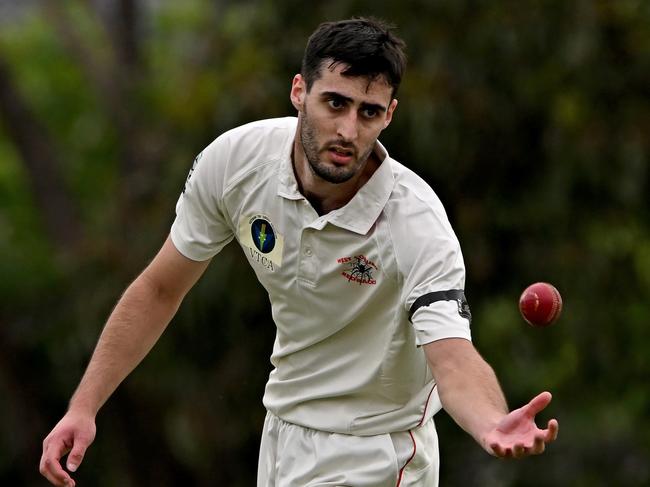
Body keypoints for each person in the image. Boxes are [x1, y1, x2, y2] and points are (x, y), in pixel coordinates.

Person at [40, 17, 559, 487]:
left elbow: (451, 356)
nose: (348, 130)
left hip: (376, 455)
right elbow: (159, 288)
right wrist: (84, 407)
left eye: (369, 112)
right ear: (298, 91)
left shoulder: (417, 224)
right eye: (335, 102)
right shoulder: (236, 163)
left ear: (389, 116)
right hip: (283, 436)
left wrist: (491, 420)